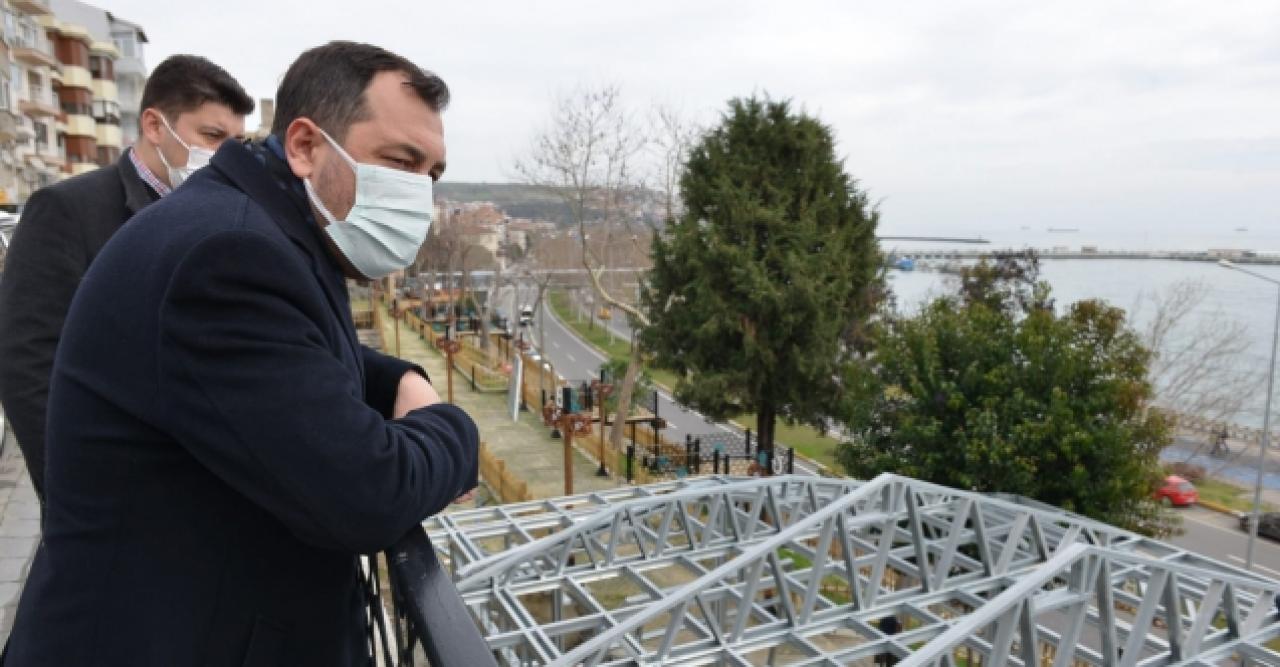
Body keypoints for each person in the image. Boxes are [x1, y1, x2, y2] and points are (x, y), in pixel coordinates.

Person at [2, 41, 478, 666]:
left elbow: (284, 353)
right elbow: (368, 494)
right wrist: (455, 430)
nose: (417, 192)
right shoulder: (230, 253)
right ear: (305, 146)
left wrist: (395, 380)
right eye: (400, 161)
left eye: (431, 175)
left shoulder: (253, 224)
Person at [0, 55, 254, 505]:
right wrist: (75, 494)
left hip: (208, 495)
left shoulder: (231, 214)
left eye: (238, 142)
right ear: (155, 126)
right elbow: (28, 361)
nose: (227, 156)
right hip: (112, 501)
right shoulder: (68, 210)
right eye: (213, 136)